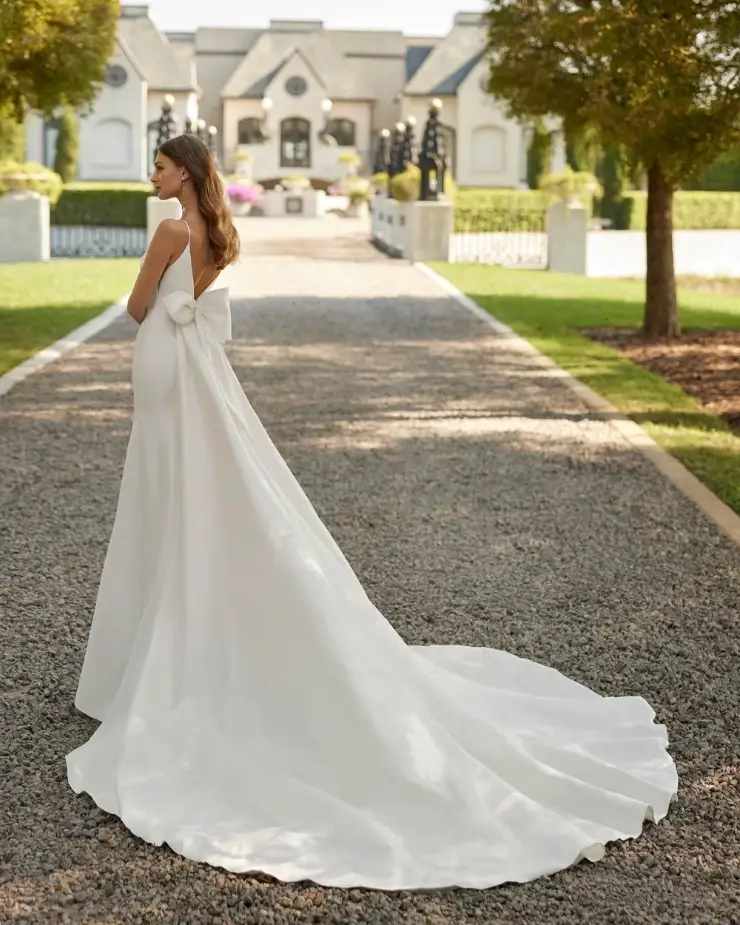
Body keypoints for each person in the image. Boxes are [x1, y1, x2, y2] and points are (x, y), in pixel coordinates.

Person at [67, 133, 678, 891]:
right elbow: (194, 296)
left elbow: (136, 306)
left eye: (160, 164)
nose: (150, 174)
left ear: (185, 173)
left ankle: (150, 657)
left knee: (159, 489)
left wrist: (157, 296)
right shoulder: (220, 236)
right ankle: (157, 641)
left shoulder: (167, 230)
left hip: (163, 360)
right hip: (194, 368)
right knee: (187, 486)